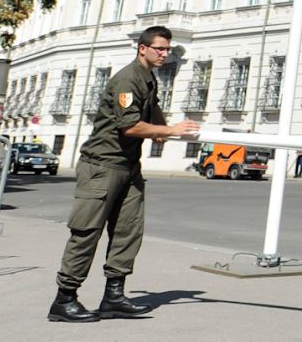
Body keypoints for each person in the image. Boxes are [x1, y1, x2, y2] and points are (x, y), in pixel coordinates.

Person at [48, 26, 202, 322]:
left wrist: (162, 128)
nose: (164, 54)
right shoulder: (127, 79)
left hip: (129, 167)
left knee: (127, 232)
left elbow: (152, 107)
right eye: (159, 48)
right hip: (102, 165)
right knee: (86, 233)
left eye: (167, 49)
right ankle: (64, 299)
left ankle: (113, 297)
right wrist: (168, 131)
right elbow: (129, 126)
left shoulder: (148, 79)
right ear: (142, 48)